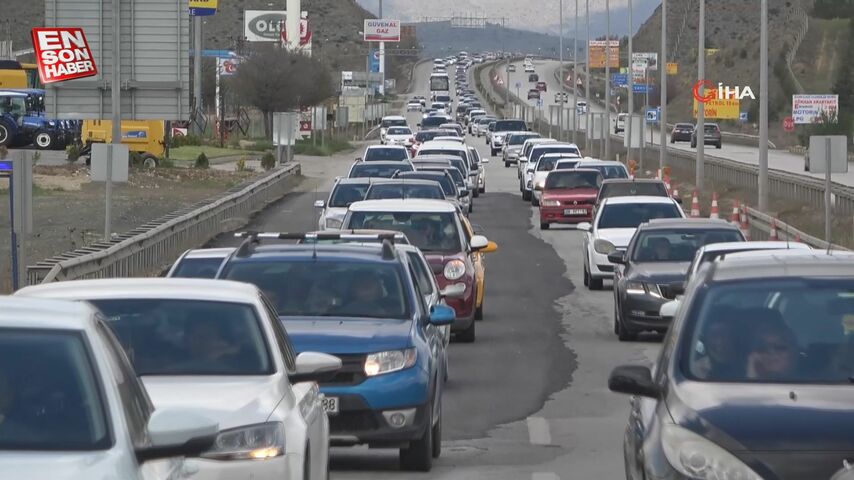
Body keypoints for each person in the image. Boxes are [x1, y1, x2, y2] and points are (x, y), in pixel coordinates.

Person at [744, 310, 799, 381]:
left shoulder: (815, 380)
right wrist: (752, 376)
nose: (771, 352)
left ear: (794, 350)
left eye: (779, 347)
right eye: (762, 348)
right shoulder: (732, 381)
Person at [694, 309, 745, 380]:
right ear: (705, 339)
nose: (719, 341)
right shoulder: (696, 371)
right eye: (714, 335)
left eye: (724, 334)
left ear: (733, 336)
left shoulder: (748, 364)